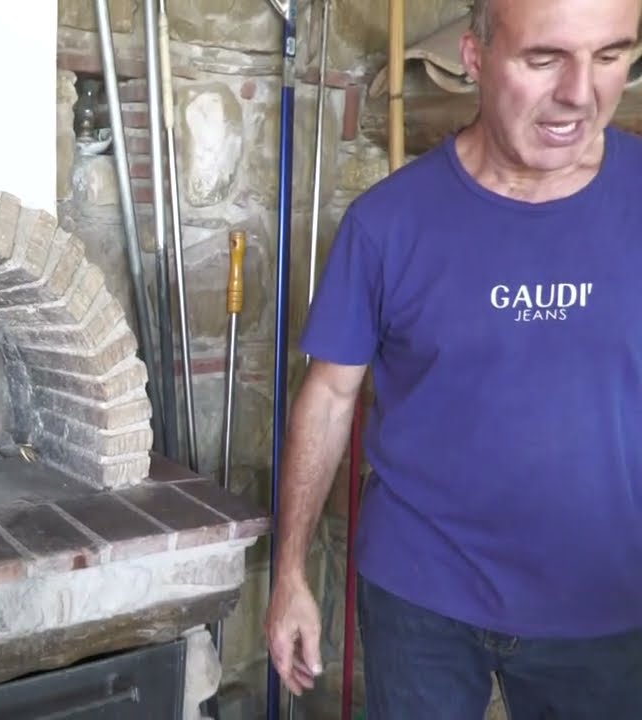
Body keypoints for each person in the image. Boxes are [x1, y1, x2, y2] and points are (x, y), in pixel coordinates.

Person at [264, 0, 642, 717]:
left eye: (612, 55)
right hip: (421, 596)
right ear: (474, 57)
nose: (580, 93)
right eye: (544, 58)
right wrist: (289, 574)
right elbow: (330, 395)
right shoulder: (387, 222)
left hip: (608, 602)